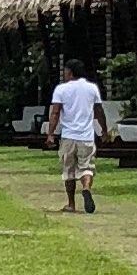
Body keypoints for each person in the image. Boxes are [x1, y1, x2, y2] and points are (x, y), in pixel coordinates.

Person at [46, 62, 104, 212]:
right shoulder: (92, 88)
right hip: (87, 136)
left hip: (68, 136)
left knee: (69, 171)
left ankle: (71, 204)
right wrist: (104, 130)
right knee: (87, 167)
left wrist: (51, 134)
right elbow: (99, 111)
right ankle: (86, 187)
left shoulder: (61, 89)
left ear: (70, 72)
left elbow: (55, 113)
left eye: (65, 71)